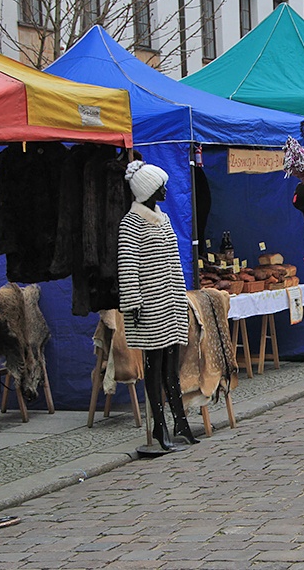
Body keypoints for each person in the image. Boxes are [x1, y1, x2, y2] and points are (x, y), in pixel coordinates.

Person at [118, 160, 195, 451]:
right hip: (150, 306)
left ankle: (180, 420)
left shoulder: (162, 218)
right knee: (155, 365)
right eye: (160, 185)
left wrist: (181, 295)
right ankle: (159, 425)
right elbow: (127, 264)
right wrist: (133, 301)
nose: (165, 190)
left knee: (171, 365)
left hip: (171, 303)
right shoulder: (132, 223)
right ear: (149, 189)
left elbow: (174, 262)